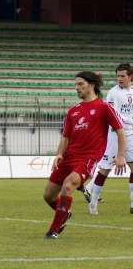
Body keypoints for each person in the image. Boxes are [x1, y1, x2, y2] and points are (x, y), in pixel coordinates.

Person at [44, 71, 126, 239]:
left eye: (80, 84)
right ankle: (65, 213)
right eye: (76, 84)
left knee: (68, 185)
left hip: (88, 158)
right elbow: (65, 136)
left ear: (92, 85)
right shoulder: (73, 111)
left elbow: (120, 131)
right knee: (48, 196)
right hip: (69, 157)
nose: (77, 88)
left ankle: (54, 230)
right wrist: (59, 153)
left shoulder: (104, 107)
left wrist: (120, 155)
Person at [84, 63, 133, 215]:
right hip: (115, 134)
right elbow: (113, 115)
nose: (119, 78)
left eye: (123, 76)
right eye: (118, 75)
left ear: (130, 77)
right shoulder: (113, 93)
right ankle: (93, 202)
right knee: (105, 169)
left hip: (130, 134)